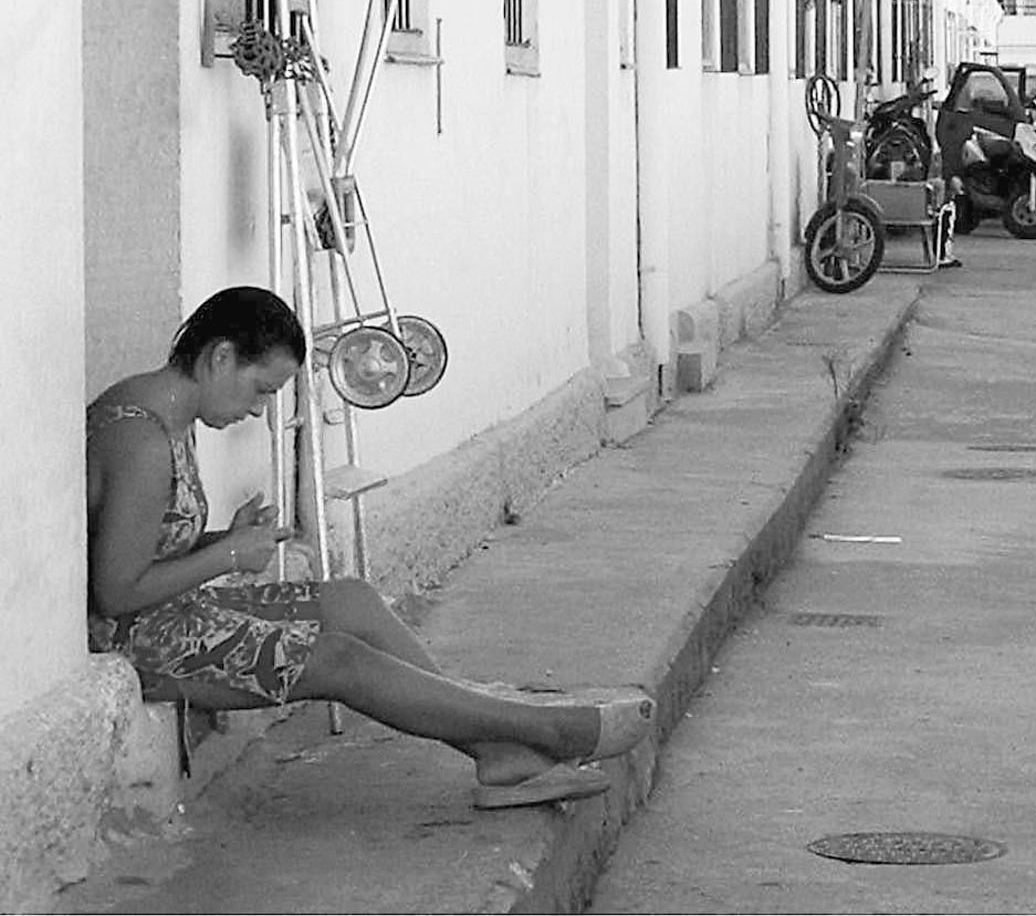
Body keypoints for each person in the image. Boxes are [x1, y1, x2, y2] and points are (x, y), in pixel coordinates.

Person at [86, 286, 652, 809]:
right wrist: (230, 556)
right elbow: (116, 592)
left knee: (350, 601)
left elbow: (141, 546)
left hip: (168, 617)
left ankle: (495, 751)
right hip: (138, 642)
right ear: (221, 357)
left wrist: (225, 541)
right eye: (261, 390)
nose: (258, 410)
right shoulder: (140, 437)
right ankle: (539, 731)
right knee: (339, 659)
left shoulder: (168, 412)